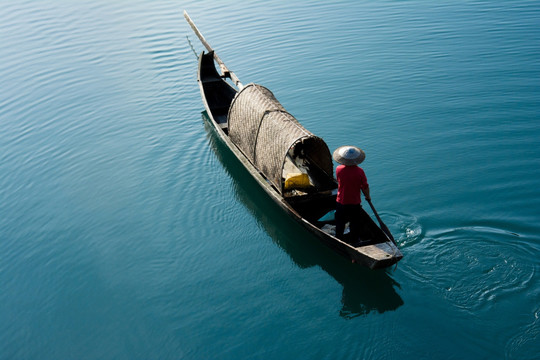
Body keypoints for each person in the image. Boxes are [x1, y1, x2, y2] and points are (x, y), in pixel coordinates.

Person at [333, 145, 371, 241]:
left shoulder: (339, 169)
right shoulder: (360, 171)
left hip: (341, 201)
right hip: (354, 202)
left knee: (340, 222)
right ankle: (354, 239)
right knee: (355, 222)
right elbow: (365, 186)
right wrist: (368, 196)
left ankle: (339, 237)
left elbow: (339, 180)